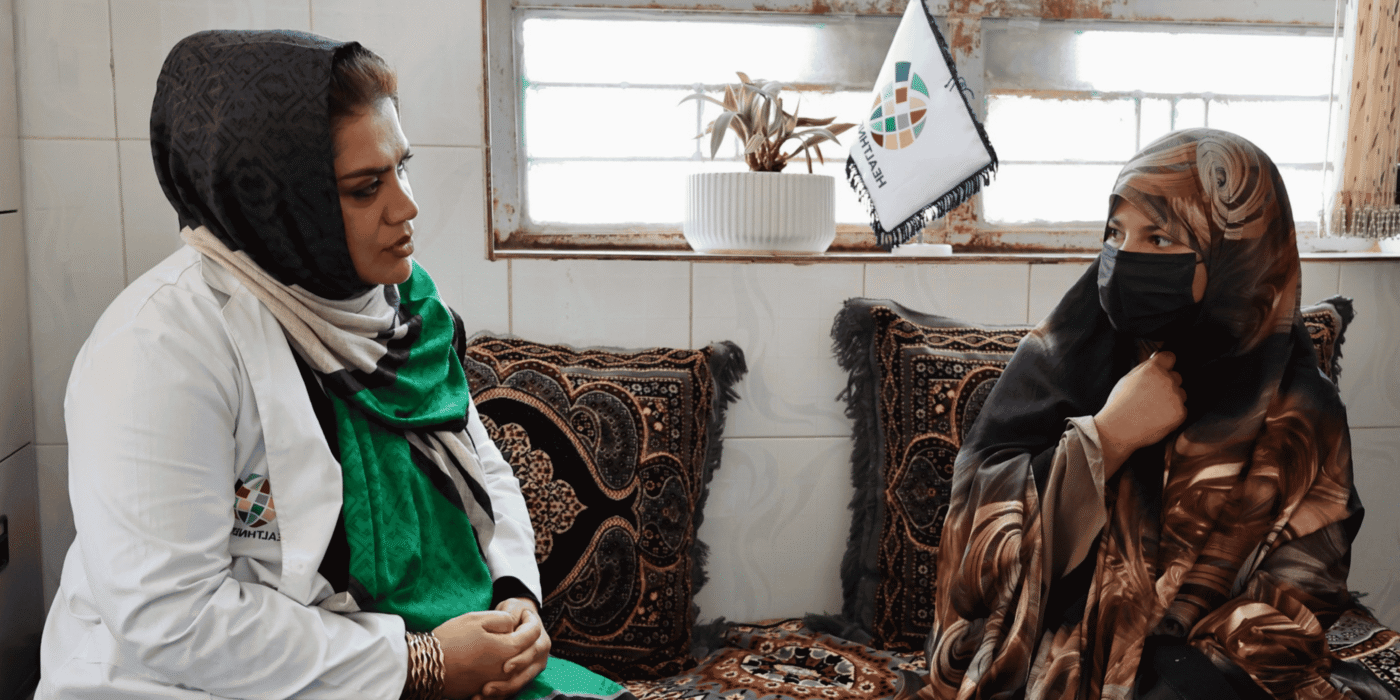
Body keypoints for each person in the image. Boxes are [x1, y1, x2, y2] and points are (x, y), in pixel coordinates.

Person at [37, 29, 631, 700]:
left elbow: (477, 460)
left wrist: (514, 595)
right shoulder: (158, 349)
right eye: (363, 187)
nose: (407, 207)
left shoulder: (398, 309)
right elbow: (174, 620)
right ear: (275, 201)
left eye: (401, 167)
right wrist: (421, 664)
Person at [920, 129, 1369, 699]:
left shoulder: (1303, 412)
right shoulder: (1070, 353)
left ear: (1236, 257)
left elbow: (1307, 595)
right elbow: (972, 531)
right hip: (1050, 652)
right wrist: (1106, 440)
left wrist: (1168, 666)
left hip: (1210, 671)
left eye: (1159, 239)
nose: (1127, 258)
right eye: (1115, 233)